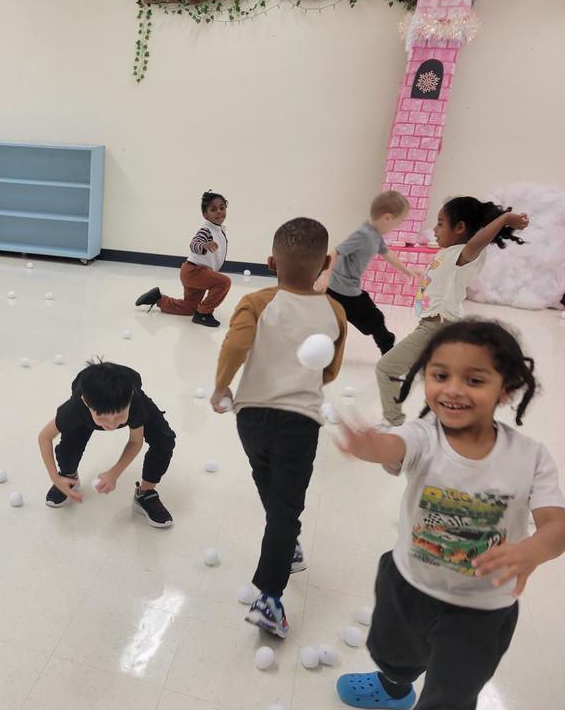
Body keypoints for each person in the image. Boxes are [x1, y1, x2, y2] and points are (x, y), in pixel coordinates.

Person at [335, 319, 565, 710]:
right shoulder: (424, 435)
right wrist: (372, 447)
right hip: (407, 583)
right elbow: (394, 447)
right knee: (392, 655)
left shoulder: (530, 457)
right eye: (440, 376)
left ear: (506, 389)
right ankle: (393, 686)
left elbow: (557, 525)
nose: (453, 390)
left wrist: (532, 551)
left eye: (474, 379)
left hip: (479, 612)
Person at [211, 217, 347, 638]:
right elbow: (330, 372)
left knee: (268, 483)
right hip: (299, 423)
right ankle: (269, 596)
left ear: (271, 262)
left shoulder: (256, 301)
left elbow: (235, 344)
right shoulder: (335, 311)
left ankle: (285, 545)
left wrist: (221, 387)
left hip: (251, 417)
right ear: (326, 262)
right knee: (286, 507)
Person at [375, 197, 528, 426]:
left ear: (459, 228)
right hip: (433, 325)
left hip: (437, 326)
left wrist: (504, 218)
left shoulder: (463, 254)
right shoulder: (448, 253)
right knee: (435, 379)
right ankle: (446, 424)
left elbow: (478, 241)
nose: (434, 230)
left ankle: (394, 423)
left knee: (386, 368)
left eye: (440, 224)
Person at [37, 360, 176, 528]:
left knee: (164, 439)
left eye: (119, 417)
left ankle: (145, 494)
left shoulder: (135, 403)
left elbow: (135, 441)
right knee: (69, 446)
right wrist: (55, 478)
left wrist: (114, 473)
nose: (111, 424)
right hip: (86, 412)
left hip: (127, 399)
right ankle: (68, 476)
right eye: (102, 418)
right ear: (86, 403)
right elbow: (44, 438)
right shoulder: (76, 408)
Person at [317, 190, 419, 354]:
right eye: (398, 223)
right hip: (343, 289)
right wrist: (325, 275)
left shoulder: (375, 235)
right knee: (375, 319)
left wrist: (407, 271)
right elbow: (335, 251)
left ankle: (322, 346)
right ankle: (388, 352)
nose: (397, 227)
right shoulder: (364, 234)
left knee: (344, 320)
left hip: (344, 289)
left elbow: (387, 253)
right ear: (387, 218)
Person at [135, 191, 233, 328]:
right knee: (224, 282)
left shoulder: (219, 229)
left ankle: (159, 299)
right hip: (194, 272)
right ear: (205, 214)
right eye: (213, 209)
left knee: (189, 308)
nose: (219, 212)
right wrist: (204, 245)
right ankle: (203, 314)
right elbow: (194, 244)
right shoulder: (206, 230)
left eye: (222, 208)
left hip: (194, 272)